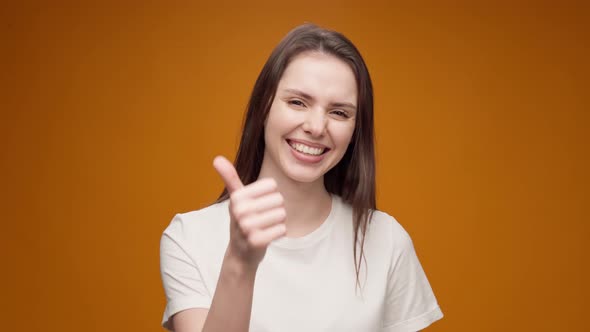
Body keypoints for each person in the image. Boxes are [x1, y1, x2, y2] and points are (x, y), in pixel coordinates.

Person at [159, 23, 443, 332]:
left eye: (340, 113)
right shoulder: (190, 237)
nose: (317, 126)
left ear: (354, 131)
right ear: (264, 106)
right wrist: (240, 262)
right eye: (297, 102)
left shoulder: (386, 240)